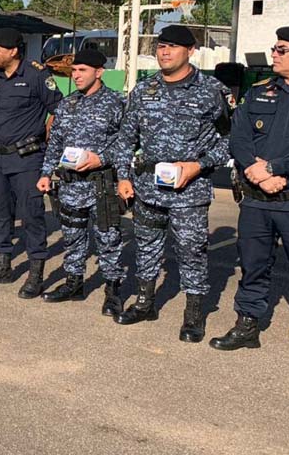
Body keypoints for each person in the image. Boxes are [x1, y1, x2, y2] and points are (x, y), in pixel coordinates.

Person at [212, 26, 289, 375]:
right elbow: (239, 135)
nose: (274, 54)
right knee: (252, 266)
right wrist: (253, 169)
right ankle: (248, 325)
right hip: (256, 201)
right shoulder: (259, 92)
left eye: (282, 49)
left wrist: (277, 168)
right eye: (274, 48)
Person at [111, 25, 232, 343]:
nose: (164, 52)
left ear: (191, 51)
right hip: (147, 186)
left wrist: (199, 165)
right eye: (161, 46)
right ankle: (145, 303)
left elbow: (229, 140)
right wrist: (123, 176)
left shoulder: (211, 90)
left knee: (191, 251)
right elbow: (126, 138)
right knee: (147, 248)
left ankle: (194, 315)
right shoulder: (143, 89)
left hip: (189, 190)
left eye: (173, 47)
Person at [36, 49, 125, 315]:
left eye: (82, 70)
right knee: (72, 237)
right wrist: (45, 172)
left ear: (99, 72)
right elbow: (55, 142)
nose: (76, 75)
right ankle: (74, 283)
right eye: (74, 70)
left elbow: (126, 144)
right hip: (71, 184)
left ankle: (113, 291)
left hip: (101, 185)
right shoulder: (68, 103)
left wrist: (103, 159)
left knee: (108, 239)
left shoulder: (116, 103)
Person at [0, 28, 63, 296]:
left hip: (27, 158)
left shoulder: (37, 76)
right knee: (0, 213)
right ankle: (3, 264)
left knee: (32, 215)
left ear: (13, 51)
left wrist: (47, 138)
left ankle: (36, 273)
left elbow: (59, 110)